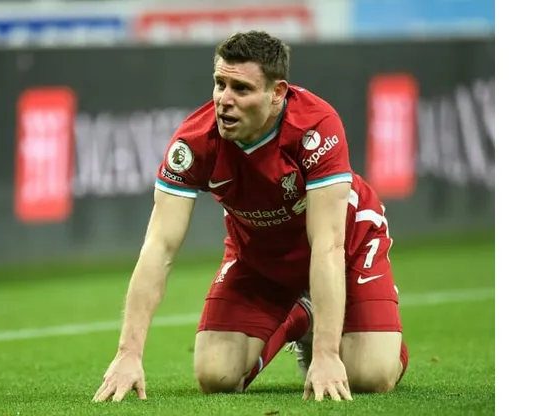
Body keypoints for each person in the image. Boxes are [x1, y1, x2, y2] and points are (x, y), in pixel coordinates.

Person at [92, 30, 409, 403]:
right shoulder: (194, 142)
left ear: (277, 93)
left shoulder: (315, 127)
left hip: (346, 248)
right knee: (216, 376)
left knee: (370, 376)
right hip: (259, 260)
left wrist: (326, 354)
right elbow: (159, 247)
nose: (224, 100)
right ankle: (302, 315)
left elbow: (327, 244)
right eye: (220, 84)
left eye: (241, 89)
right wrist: (128, 354)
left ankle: (361, 340)